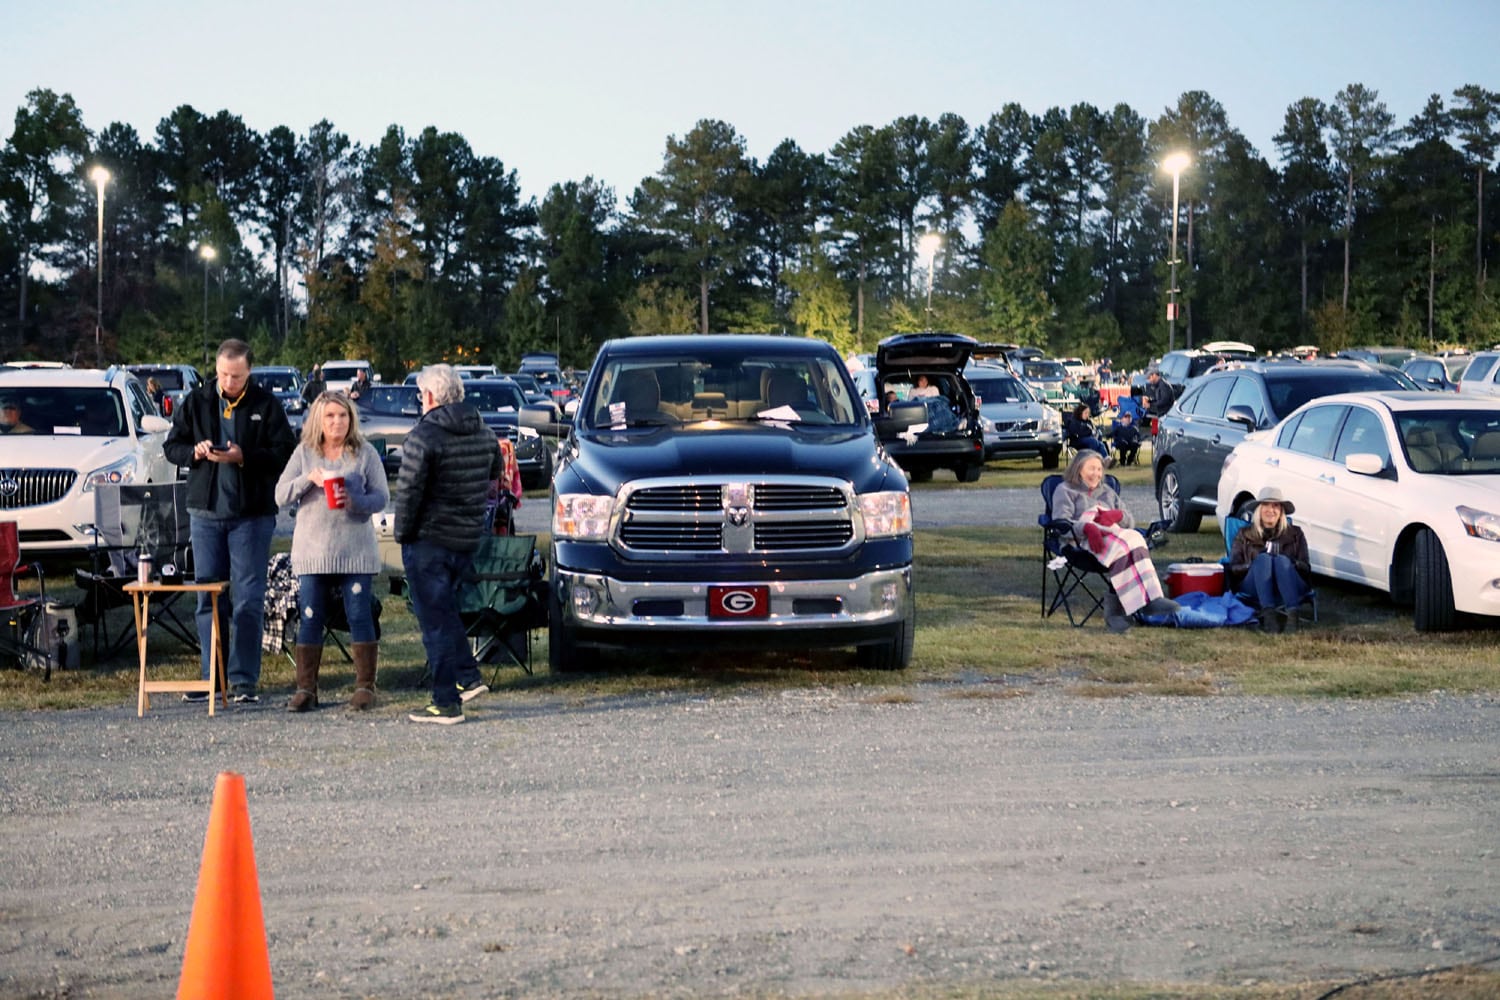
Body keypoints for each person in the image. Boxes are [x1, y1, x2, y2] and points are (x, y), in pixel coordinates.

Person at [163, 339, 296, 704]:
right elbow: (171, 445)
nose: (229, 381)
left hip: (252, 516)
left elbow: (285, 452)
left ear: (249, 371)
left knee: (248, 599)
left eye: (236, 376)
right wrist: (194, 452)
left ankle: (243, 681)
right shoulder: (198, 401)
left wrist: (243, 457)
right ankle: (212, 678)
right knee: (208, 597)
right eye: (223, 374)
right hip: (205, 515)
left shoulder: (266, 405)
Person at [394, 364, 501, 724]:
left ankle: (445, 701)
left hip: (429, 538)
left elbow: (408, 492)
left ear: (429, 397)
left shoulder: (424, 436)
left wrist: (402, 533)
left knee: (434, 621)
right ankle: (468, 677)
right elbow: (494, 475)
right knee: (447, 612)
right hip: (466, 537)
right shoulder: (483, 431)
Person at [274, 392, 389, 711]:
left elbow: (382, 496)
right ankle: (306, 689)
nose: (337, 421)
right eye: (329, 416)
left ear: (351, 419)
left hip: (355, 550)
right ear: (318, 420)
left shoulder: (364, 454)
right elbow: (280, 495)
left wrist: (358, 503)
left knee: (358, 614)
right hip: (313, 551)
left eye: (342, 415)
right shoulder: (304, 453)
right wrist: (307, 480)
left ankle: (365, 686)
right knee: (310, 616)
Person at [1052, 451, 1178, 632]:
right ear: (1078, 469)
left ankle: (1150, 600)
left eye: (1099, 469)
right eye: (1091, 469)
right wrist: (1087, 527)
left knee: (1135, 538)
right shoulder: (1065, 490)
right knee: (1126, 545)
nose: (1096, 473)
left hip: (1113, 538)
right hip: (1081, 542)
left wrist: (1116, 515)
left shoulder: (1108, 492)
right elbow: (1060, 523)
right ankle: (1119, 612)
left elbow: (1130, 522)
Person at [1226, 485, 1311, 634]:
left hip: (1289, 581)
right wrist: (1254, 565)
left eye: (1275, 506)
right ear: (1259, 509)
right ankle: (1269, 616)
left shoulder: (1296, 533)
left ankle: (1292, 617)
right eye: (1265, 505)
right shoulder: (1244, 534)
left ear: (1281, 511)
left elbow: (1306, 567)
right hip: (1254, 584)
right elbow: (1233, 567)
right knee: (1264, 559)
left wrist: (1289, 562)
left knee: (1281, 561)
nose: (1270, 510)